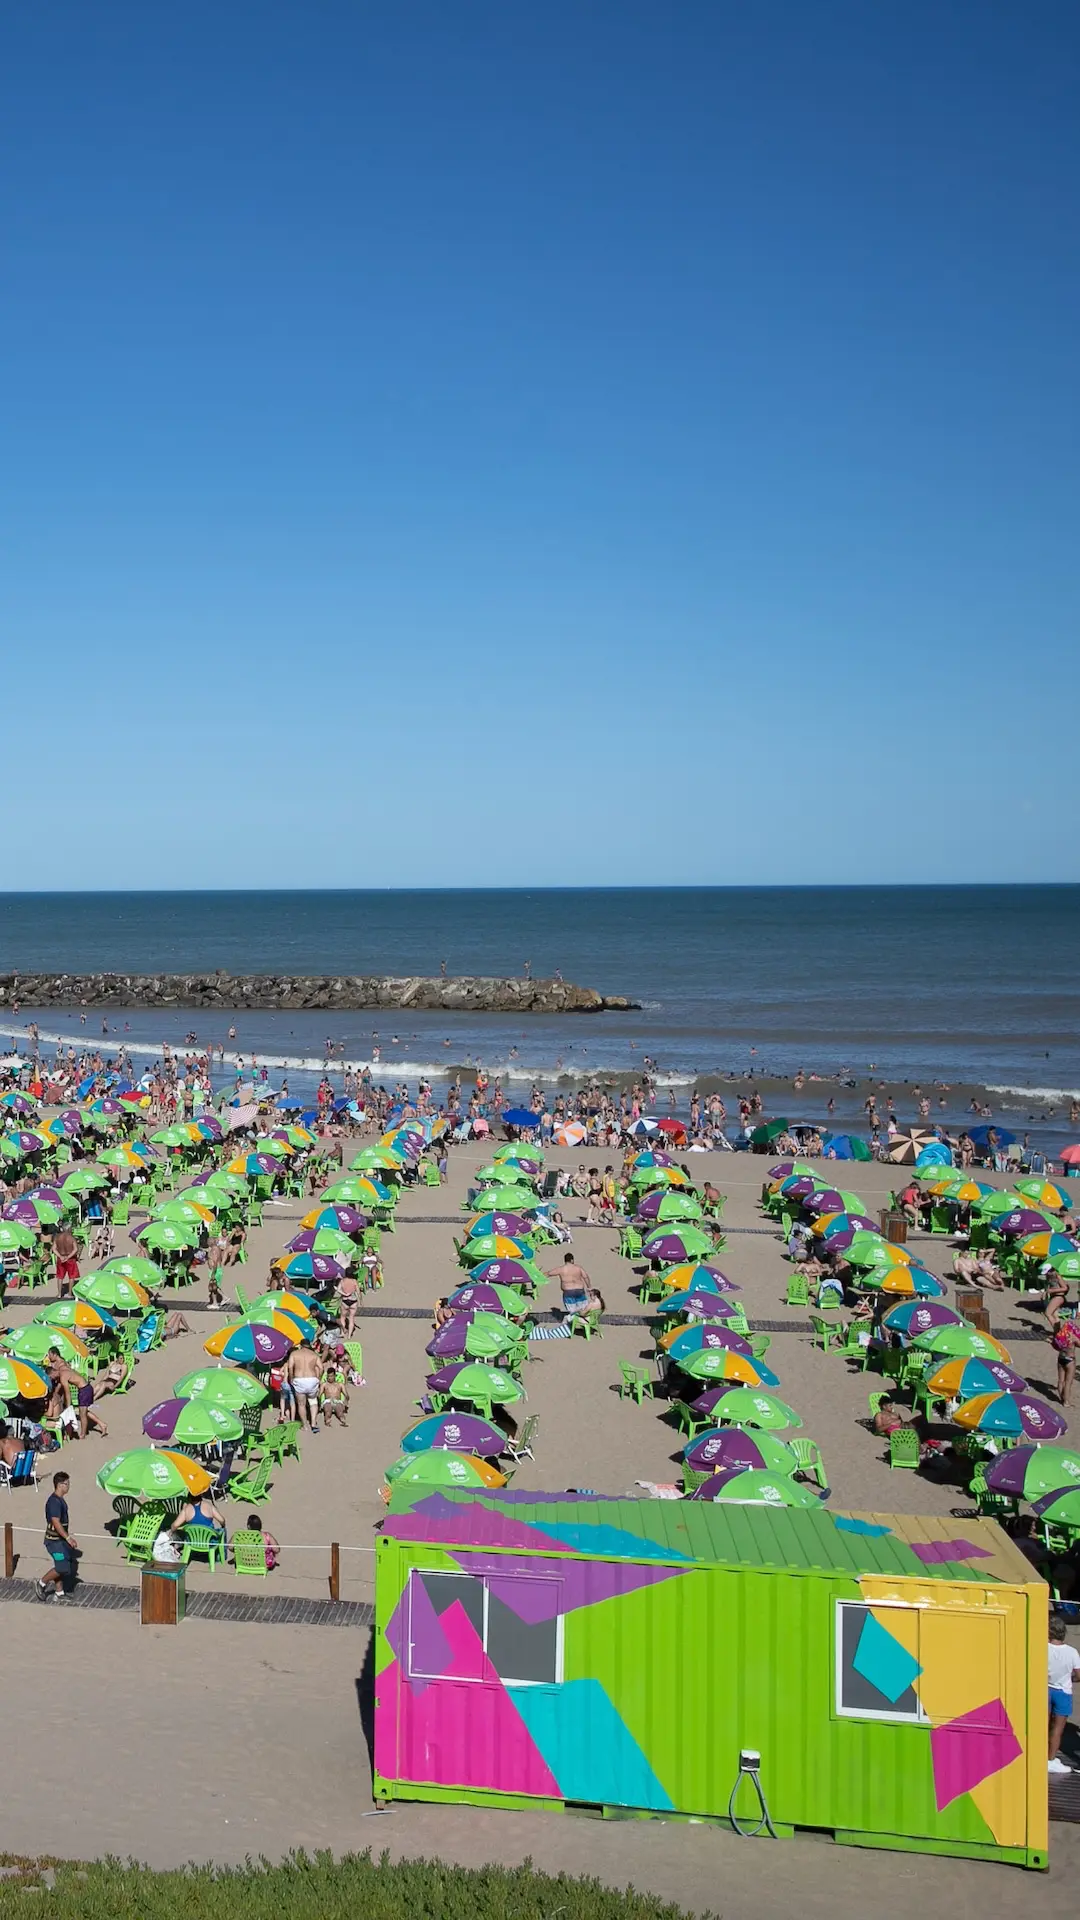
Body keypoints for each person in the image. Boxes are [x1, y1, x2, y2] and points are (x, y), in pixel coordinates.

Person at [38, 1470, 77, 1603]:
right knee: (62, 1568)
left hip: (59, 1541)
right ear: (60, 1485)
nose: (68, 1486)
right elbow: (55, 1521)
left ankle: (59, 1593)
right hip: (54, 1542)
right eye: (67, 1483)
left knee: (60, 1564)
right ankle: (41, 1583)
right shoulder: (54, 1502)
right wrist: (68, 1538)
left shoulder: (60, 1500)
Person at [1048, 1616, 1080, 1774]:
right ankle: (1051, 1759)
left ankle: (1040, 1755)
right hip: (1063, 1692)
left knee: (1044, 1726)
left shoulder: (1043, 1648)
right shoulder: (1072, 1652)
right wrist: (1070, 1678)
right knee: (1057, 1729)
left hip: (1046, 1689)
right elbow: (1079, 1675)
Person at [286, 1339, 323, 1433]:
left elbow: (290, 1367)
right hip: (312, 1379)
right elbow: (321, 1367)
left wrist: (291, 1378)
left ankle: (305, 1425)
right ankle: (313, 1423)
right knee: (313, 1401)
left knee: (301, 1404)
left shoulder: (294, 1354)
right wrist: (318, 1378)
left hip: (299, 1379)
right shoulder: (314, 1355)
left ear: (301, 1345)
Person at [1052, 1313, 1080, 1408]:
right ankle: (1066, 1402)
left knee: (1061, 1380)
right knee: (1068, 1382)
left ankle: (1061, 1398)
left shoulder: (1061, 1336)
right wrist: (1076, 1338)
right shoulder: (1073, 1338)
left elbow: (1055, 1345)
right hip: (1070, 1360)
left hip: (1061, 1358)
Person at [53, 1224, 79, 1297]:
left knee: (60, 1276)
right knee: (71, 1276)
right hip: (70, 1259)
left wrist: (60, 1256)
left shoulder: (57, 1237)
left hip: (60, 1258)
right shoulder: (71, 1238)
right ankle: (70, 1293)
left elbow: (54, 1249)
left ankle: (59, 1294)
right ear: (69, 1229)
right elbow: (75, 1249)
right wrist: (68, 1257)